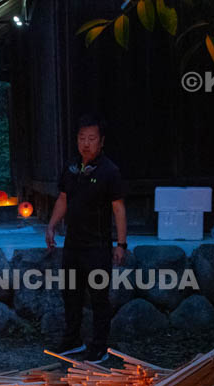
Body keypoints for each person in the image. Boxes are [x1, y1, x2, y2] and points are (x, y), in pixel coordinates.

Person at [44, 114, 127, 364]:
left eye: (91, 138)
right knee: (71, 292)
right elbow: (63, 198)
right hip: (73, 243)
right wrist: (51, 226)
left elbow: (118, 208)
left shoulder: (109, 171)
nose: (86, 144)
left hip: (98, 245)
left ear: (101, 141)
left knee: (99, 297)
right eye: (82, 138)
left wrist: (121, 244)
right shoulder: (71, 168)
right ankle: (72, 340)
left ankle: (99, 347)